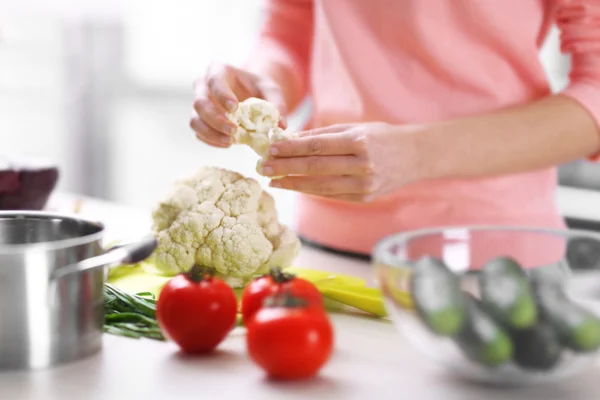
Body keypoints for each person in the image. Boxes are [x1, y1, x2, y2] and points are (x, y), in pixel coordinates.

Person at [189, 0, 600, 258]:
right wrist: (260, 87)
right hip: (322, 242)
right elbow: (291, 28)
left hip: (491, 256)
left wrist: (417, 154)